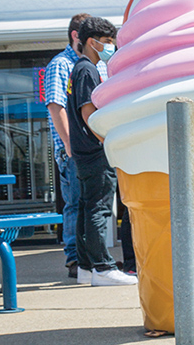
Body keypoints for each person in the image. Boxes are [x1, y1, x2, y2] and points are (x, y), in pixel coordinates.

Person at [67, 16, 137, 287]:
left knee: (87, 207)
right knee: (99, 208)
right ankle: (103, 267)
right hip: (95, 151)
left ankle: (86, 266)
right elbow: (89, 113)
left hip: (83, 151)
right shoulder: (87, 70)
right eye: (107, 42)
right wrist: (108, 141)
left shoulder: (80, 69)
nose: (110, 47)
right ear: (91, 42)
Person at [44, 13, 91, 277]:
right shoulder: (61, 64)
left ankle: (89, 257)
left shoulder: (90, 63)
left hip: (93, 148)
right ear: (76, 36)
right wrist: (70, 146)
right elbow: (55, 106)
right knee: (75, 203)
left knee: (91, 204)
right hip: (74, 150)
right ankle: (74, 259)